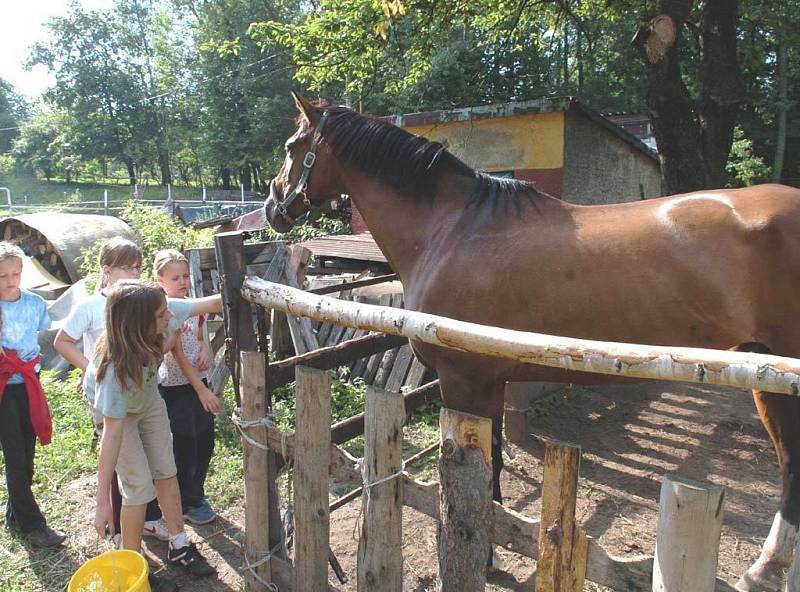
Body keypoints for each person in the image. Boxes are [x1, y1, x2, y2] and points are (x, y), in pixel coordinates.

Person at [86, 281, 216, 591]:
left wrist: (246, 290)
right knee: (138, 488)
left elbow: (211, 303)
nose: (170, 317)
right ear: (138, 324)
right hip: (117, 416)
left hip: (148, 399)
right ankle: (133, 568)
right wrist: (102, 501)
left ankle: (180, 544)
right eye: (162, 315)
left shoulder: (162, 312)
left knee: (166, 472)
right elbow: (112, 436)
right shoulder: (113, 373)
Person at [54, 237, 168, 542]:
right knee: (121, 463)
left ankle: (142, 521)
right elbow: (62, 342)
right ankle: (118, 530)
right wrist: (91, 368)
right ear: (106, 269)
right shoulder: (91, 306)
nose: (134, 273)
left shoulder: (142, 302)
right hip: (111, 392)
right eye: (126, 268)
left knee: (142, 463)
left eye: (137, 267)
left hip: (136, 390)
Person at [0, 242, 66, 548]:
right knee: (14, 455)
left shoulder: (35, 304)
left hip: (28, 382)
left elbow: (39, 334)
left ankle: (15, 512)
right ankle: (32, 524)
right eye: (3, 276)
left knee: (27, 453)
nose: (11, 281)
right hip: (2, 386)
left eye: (15, 273)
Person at [154, 250, 222, 525]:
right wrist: (201, 390)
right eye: (175, 277)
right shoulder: (167, 311)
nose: (182, 281)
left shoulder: (191, 306)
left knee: (205, 440)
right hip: (176, 385)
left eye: (185, 276)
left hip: (198, 381)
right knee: (185, 443)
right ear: (159, 280)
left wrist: (206, 349)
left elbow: (198, 336)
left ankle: (197, 494)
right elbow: (178, 354)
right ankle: (186, 501)